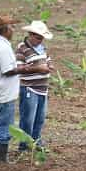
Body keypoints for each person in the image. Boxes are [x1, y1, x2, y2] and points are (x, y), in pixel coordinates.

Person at [0, 15, 48, 163]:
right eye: (12, 27)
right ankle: (1, 161)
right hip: (3, 94)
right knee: (3, 128)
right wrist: (34, 68)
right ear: (6, 29)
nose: (13, 30)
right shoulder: (3, 47)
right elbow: (8, 70)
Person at [16, 20, 54, 151]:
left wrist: (49, 66)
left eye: (42, 38)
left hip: (43, 89)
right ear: (31, 35)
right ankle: (24, 145)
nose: (40, 40)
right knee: (28, 119)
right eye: (38, 38)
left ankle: (36, 142)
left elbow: (48, 61)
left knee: (40, 118)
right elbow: (19, 68)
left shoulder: (42, 48)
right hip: (29, 88)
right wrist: (38, 69)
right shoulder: (22, 48)